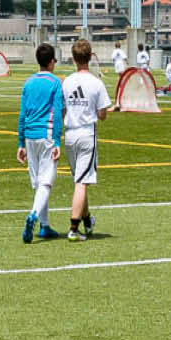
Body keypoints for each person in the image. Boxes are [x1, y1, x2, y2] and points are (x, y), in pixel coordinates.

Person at [62, 38, 110, 241]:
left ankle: (87, 219)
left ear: (73, 59)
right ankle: (73, 228)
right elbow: (102, 114)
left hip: (70, 134)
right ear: (90, 57)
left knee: (81, 178)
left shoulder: (66, 82)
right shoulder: (96, 83)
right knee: (81, 182)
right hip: (86, 134)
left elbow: (63, 109)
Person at [17, 42, 64, 243]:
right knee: (46, 181)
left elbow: (22, 114)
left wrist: (20, 142)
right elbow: (59, 113)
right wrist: (57, 141)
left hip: (29, 135)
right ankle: (34, 216)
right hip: (46, 135)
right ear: (52, 61)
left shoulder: (28, 83)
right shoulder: (55, 83)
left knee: (38, 183)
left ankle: (44, 226)